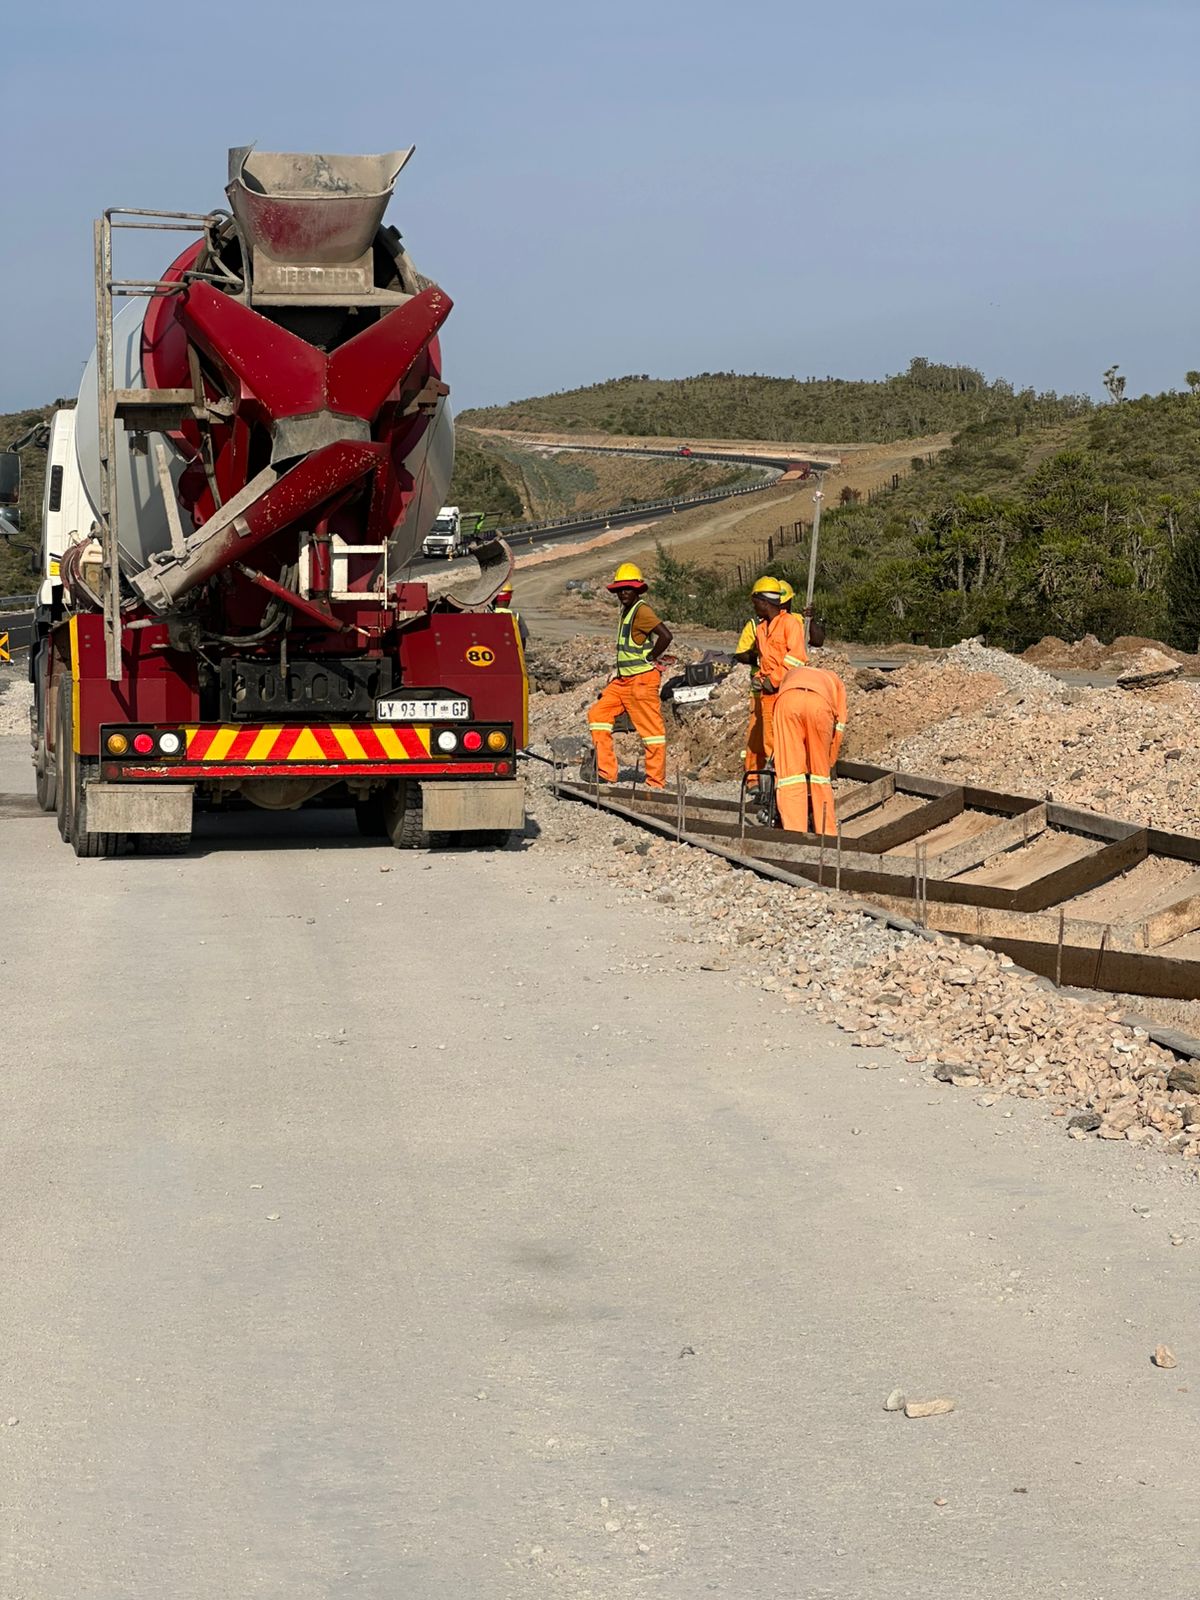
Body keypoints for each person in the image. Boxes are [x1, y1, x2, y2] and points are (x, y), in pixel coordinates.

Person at [587, 563, 673, 790]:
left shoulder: (641, 611)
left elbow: (666, 635)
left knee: (652, 733)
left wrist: (651, 657)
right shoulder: (627, 611)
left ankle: (655, 782)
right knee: (598, 714)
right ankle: (606, 773)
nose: (623, 593)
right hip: (623, 681)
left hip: (642, 680)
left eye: (628, 588)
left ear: (637, 590)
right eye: (620, 589)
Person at [772, 661, 848, 835]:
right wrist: (829, 762)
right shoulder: (836, 682)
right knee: (820, 778)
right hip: (819, 705)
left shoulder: (793, 673)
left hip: (788, 701)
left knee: (790, 776)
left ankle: (794, 833)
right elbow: (839, 727)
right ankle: (826, 833)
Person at [734, 578, 795, 791]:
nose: (754, 608)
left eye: (755, 603)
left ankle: (783, 788)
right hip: (766, 695)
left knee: (783, 741)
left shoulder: (790, 624)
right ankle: (772, 788)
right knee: (769, 743)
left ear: (763, 601)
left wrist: (774, 679)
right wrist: (760, 678)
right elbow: (764, 660)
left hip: (784, 693)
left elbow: (796, 658)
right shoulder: (760, 629)